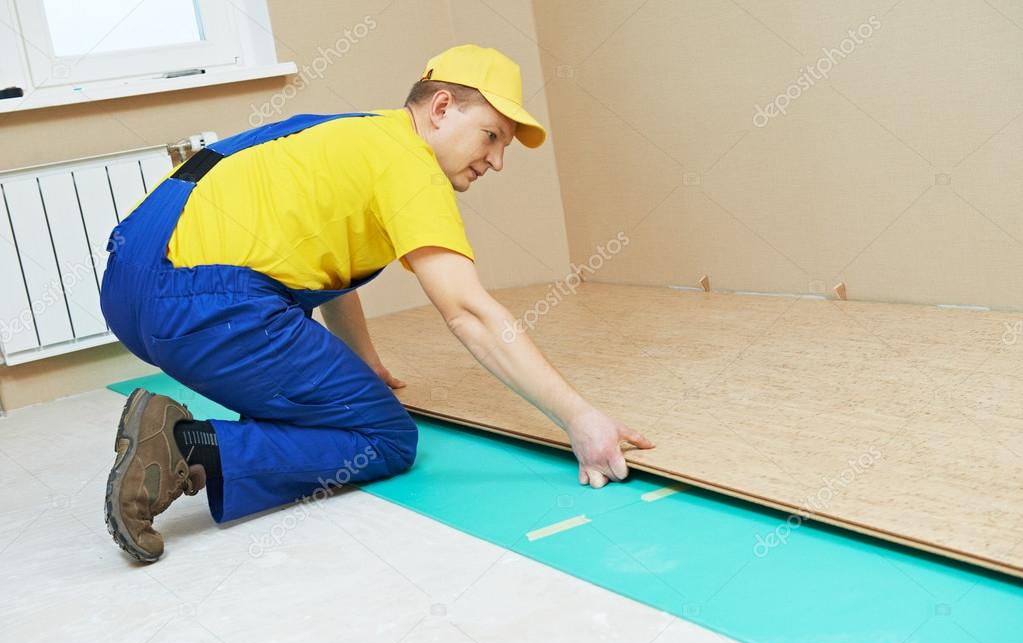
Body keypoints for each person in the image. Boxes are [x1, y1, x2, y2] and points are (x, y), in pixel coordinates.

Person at [101, 44, 654, 563]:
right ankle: (184, 446)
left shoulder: (350, 133)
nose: (498, 160)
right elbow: (468, 314)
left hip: (130, 286)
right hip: (201, 307)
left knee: (310, 361)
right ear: (442, 108)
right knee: (383, 438)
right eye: (491, 135)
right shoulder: (411, 167)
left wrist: (361, 361)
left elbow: (330, 262)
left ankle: (203, 433)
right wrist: (579, 419)